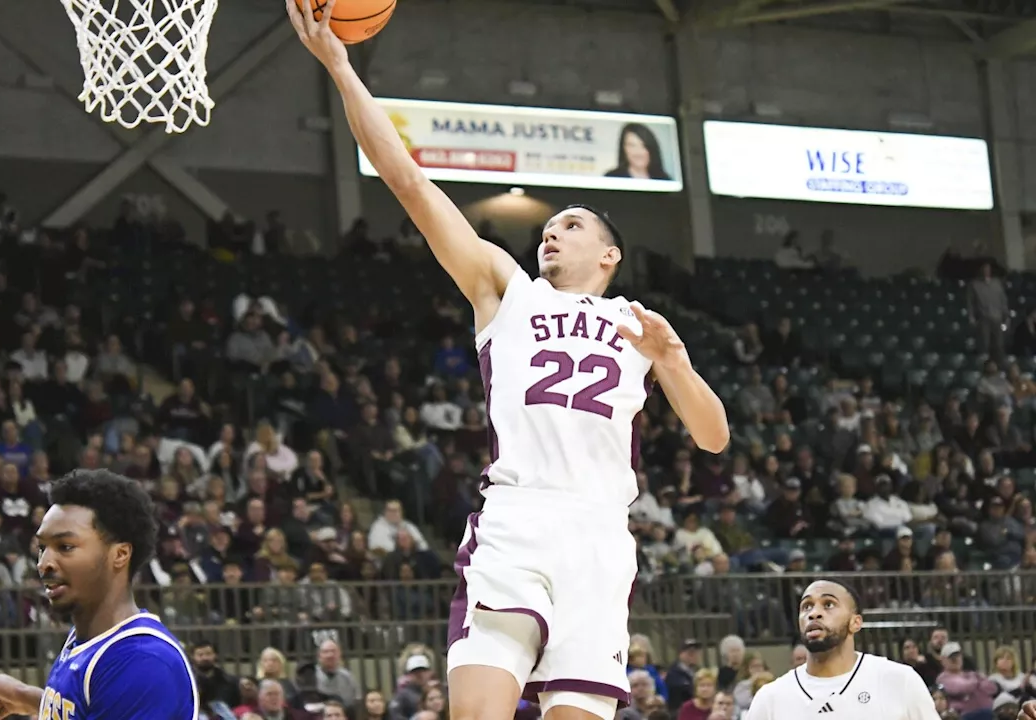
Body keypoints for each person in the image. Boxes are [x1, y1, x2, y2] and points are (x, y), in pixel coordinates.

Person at [286, 3, 729, 719]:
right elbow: (410, 183)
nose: (552, 234)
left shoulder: (639, 327)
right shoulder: (506, 291)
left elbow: (713, 437)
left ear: (609, 255)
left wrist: (673, 362)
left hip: (599, 536)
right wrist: (341, 68)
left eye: (572, 226)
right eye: (548, 228)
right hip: (519, 519)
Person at [0, 469, 197, 719]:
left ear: (119, 555)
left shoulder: (142, 662)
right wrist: (27, 696)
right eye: (43, 547)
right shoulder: (89, 637)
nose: (44, 563)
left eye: (65, 547)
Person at [745, 580, 937, 719]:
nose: (814, 613)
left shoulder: (899, 681)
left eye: (828, 604)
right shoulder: (770, 698)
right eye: (806, 606)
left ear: (855, 622)